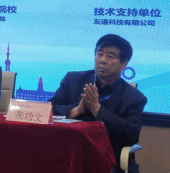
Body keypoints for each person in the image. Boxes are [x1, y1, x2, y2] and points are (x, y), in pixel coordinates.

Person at [50, 34, 147, 173]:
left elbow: (131, 135)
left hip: (106, 159)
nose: (102, 60)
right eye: (99, 54)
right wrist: (75, 111)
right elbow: (49, 109)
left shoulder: (134, 97)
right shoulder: (73, 79)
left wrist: (97, 110)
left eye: (110, 56)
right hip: (66, 153)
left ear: (124, 64)